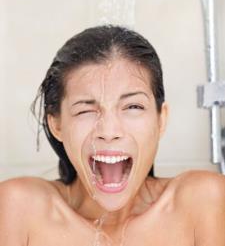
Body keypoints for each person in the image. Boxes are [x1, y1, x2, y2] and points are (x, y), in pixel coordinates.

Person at [0, 25, 225, 246]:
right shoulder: (19, 208)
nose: (108, 132)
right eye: (85, 110)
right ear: (56, 124)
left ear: (161, 119)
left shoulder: (202, 201)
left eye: (133, 106)